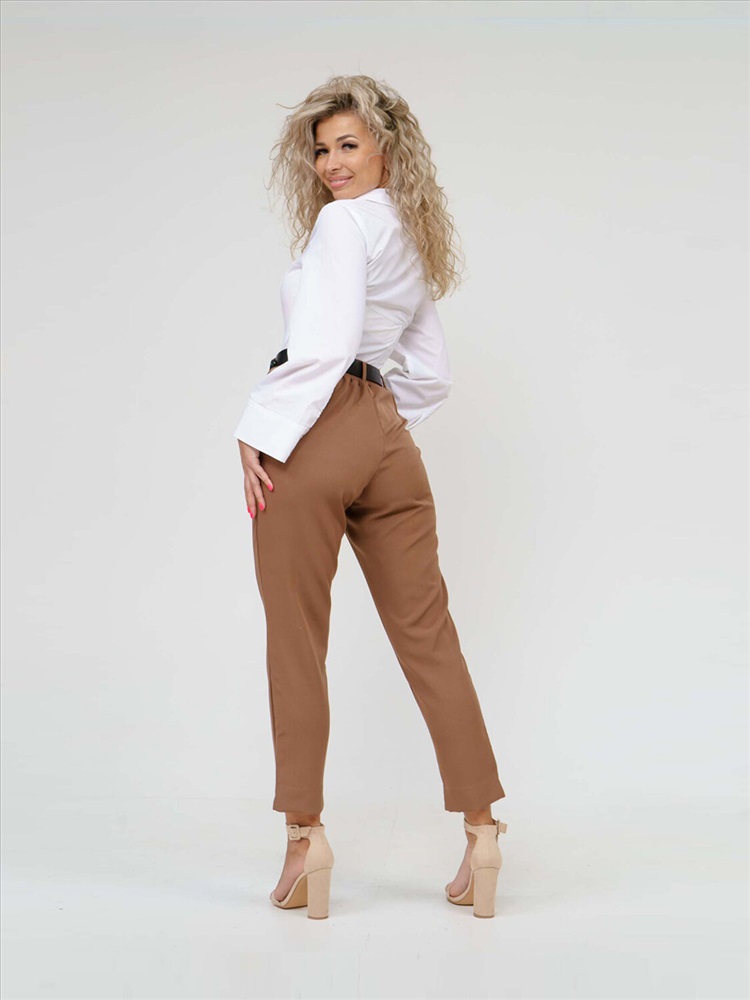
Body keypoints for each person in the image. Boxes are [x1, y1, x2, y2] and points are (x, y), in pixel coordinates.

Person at [234, 74, 508, 919]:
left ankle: (304, 840)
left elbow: (319, 348)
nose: (331, 164)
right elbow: (430, 370)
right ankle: (483, 832)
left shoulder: (342, 224)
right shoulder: (407, 233)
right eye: (321, 150)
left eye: (348, 145)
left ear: (387, 147)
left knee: (296, 640)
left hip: (315, 424)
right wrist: (381, 422)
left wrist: (259, 426)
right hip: (388, 439)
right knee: (430, 636)